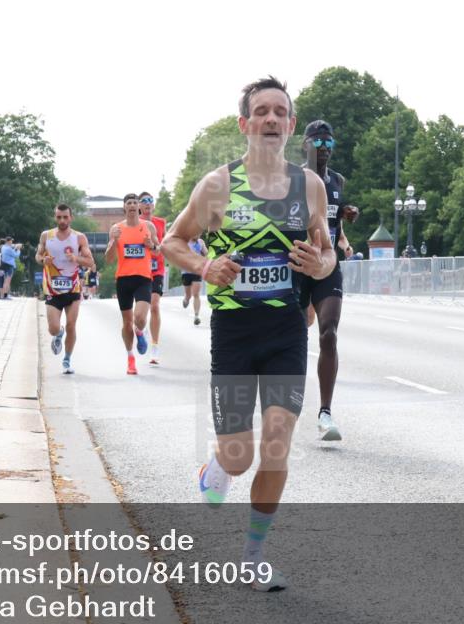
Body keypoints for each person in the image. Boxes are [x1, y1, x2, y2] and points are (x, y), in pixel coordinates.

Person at [161, 76, 336, 592]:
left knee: (277, 445)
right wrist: (204, 263)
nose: (271, 119)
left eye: (280, 112)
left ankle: (253, 556)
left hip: (285, 329)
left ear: (291, 125)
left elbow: (328, 252)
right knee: (238, 455)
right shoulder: (217, 185)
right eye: (261, 111)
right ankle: (217, 465)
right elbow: (172, 240)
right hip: (235, 333)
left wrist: (320, 264)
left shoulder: (310, 187)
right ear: (245, 123)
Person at [298, 120, 359, 441]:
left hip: (327, 265)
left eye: (330, 145)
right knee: (290, 337)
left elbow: (331, 221)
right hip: (295, 265)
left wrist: (344, 214)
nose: (324, 150)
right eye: (318, 144)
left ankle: (325, 413)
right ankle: (280, 402)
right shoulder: (290, 178)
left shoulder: (337, 180)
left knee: (329, 333)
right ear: (305, 145)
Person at [37, 204, 95, 374]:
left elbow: (90, 262)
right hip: (52, 290)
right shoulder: (46, 236)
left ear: (71, 218)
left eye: (65, 217)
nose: (62, 220)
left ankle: (67, 360)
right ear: (55, 217)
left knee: (71, 324)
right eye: (59, 217)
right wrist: (43, 260)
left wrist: (76, 258)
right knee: (53, 328)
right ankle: (58, 333)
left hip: (72, 290)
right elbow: (38, 255)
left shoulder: (79, 238)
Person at [105, 194, 158, 375]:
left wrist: (151, 245)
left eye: (136, 202)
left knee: (140, 318)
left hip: (143, 278)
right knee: (126, 323)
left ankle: (140, 332)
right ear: (125, 208)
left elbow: (158, 252)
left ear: (139, 208)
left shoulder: (148, 226)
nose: (133, 205)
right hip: (124, 279)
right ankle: (130, 358)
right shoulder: (116, 228)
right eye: (129, 203)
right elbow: (109, 259)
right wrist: (113, 241)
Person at [139, 192, 167, 364]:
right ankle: (142, 329)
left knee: (155, 306)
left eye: (150, 201)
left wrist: (156, 247)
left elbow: (164, 245)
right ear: (139, 206)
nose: (148, 204)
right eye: (144, 201)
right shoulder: (134, 224)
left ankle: (155, 348)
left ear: (153, 205)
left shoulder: (161, 223)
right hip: (139, 270)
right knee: (141, 312)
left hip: (157, 269)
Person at [181, 237, 208, 325]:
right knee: (188, 295)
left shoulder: (200, 242)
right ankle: (186, 299)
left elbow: (207, 254)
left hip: (197, 271)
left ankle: (196, 316)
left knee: (196, 294)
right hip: (186, 272)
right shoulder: (184, 241)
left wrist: (203, 252)